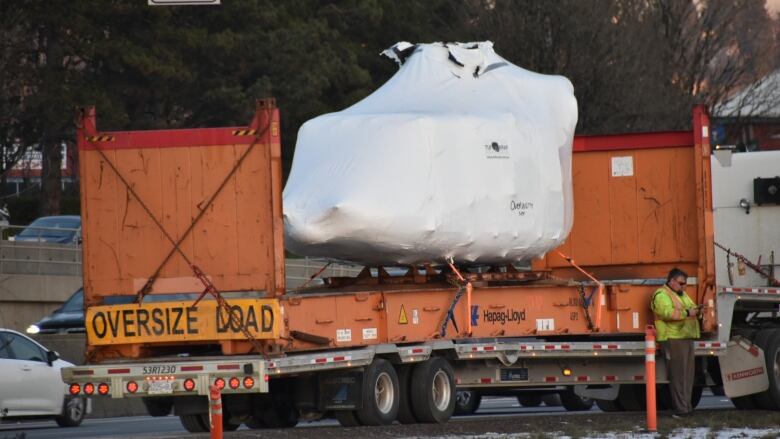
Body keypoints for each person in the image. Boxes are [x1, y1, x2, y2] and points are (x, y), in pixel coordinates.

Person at [651, 267, 701, 417]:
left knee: (687, 376)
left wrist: (698, 310)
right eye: (681, 283)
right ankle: (681, 409)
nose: (683, 286)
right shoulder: (661, 295)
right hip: (673, 338)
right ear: (671, 281)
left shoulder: (681, 294)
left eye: (685, 284)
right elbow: (666, 313)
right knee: (678, 377)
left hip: (686, 337)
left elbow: (691, 307)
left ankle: (687, 407)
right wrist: (688, 313)